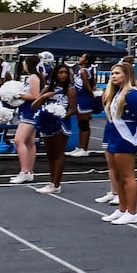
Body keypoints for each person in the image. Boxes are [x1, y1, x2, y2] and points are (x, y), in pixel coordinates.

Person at [102, 61, 137, 226]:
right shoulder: (117, 93)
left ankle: (132, 212)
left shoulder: (133, 94)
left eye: (117, 73)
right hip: (115, 136)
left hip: (126, 137)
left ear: (126, 75)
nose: (113, 76)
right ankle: (122, 208)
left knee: (128, 176)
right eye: (112, 73)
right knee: (118, 176)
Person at [33, 62, 77, 194]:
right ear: (55, 74)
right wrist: (43, 96)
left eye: (65, 73)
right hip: (47, 125)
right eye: (60, 72)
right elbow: (34, 106)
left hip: (61, 125)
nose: (63, 75)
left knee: (58, 154)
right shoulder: (48, 88)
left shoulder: (70, 90)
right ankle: (51, 182)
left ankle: (56, 184)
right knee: (50, 154)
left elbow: (73, 109)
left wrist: (59, 117)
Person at [69, 53, 96, 157]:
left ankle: (84, 148)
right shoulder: (81, 70)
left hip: (84, 99)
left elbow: (87, 87)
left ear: (86, 61)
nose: (80, 58)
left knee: (84, 124)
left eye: (82, 57)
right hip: (80, 99)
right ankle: (80, 147)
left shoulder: (84, 71)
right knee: (80, 124)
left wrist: (93, 97)